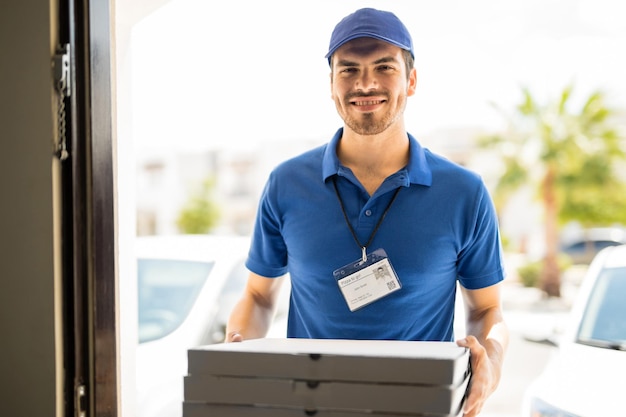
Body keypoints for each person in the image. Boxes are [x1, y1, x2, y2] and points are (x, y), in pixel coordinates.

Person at [225, 7, 509, 417]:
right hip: (308, 407)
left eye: (384, 66)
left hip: (421, 407)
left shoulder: (464, 192)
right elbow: (258, 294)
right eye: (349, 70)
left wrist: (492, 363)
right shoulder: (286, 183)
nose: (366, 83)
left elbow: (486, 309)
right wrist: (239, 348)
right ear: (331, 83)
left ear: (411, 80)